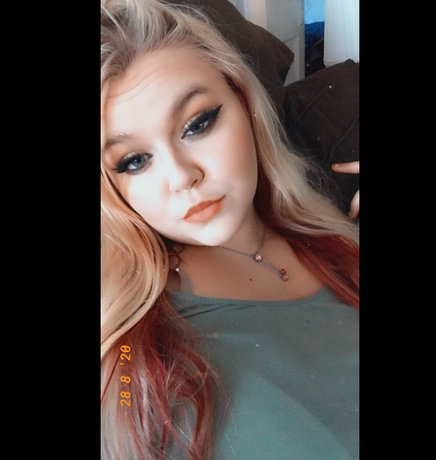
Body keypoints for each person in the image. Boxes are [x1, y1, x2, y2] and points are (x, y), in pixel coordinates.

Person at [101, 1, 359, 458]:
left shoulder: (332, 238)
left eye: (197, 124)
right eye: (134, 161)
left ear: (244, 101)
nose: (182, 177)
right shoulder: (129, 350)